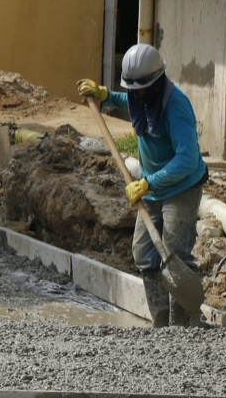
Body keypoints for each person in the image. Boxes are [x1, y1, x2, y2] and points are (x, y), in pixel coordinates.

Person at [77, 43, 208, 327]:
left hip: (181, 188)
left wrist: (148, 183)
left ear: (157, 80)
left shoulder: (176, 107)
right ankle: (161, 321)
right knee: (144, 253)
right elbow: (130, 102)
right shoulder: (141, 95)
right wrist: (105, 96)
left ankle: (182, 324)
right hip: (150, 187)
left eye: (142, 89)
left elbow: (187, 159)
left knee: (175, 254)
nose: (136, 94)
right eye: (131, 89)